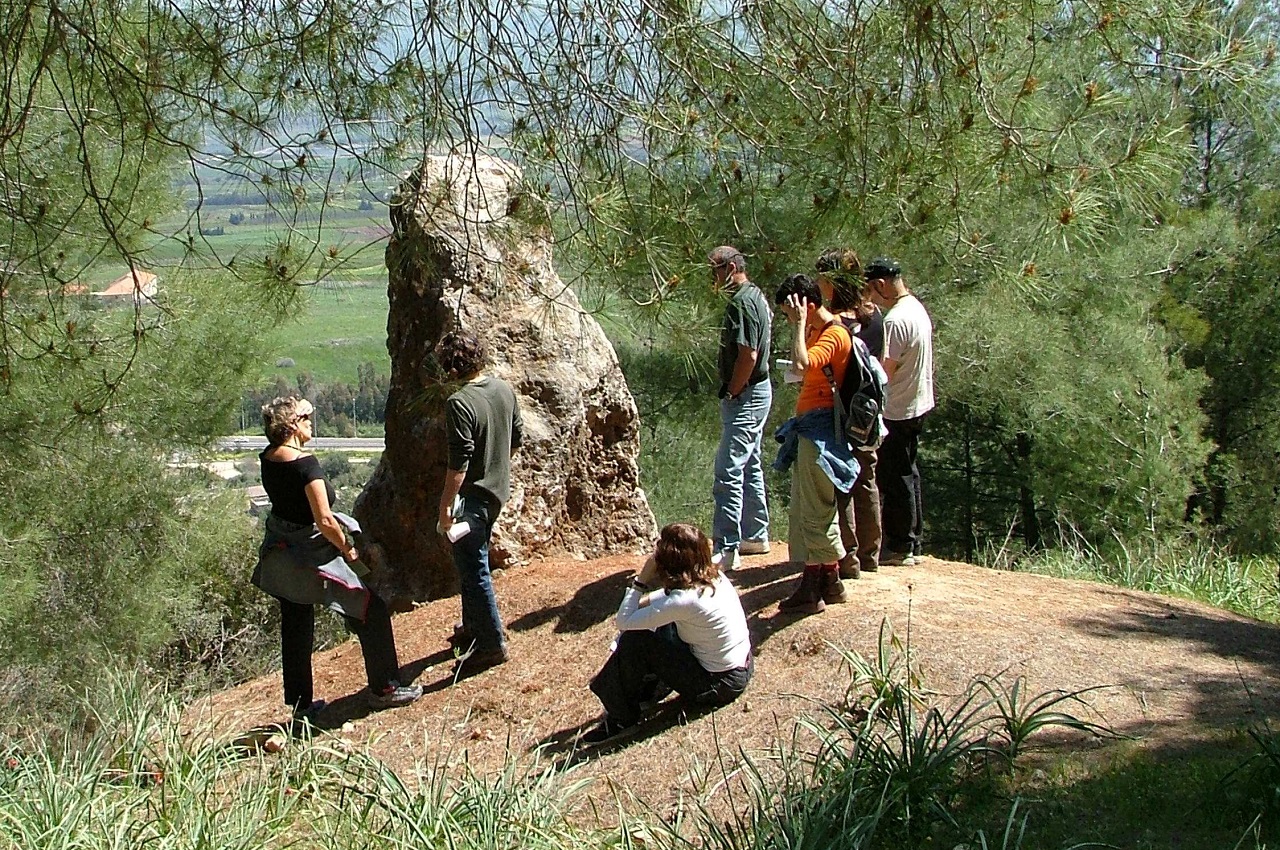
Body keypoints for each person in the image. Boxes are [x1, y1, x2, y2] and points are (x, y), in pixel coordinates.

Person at [253, 397, 422, 719]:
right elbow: (325, 520)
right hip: (313, 553)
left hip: (283, 553)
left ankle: (301, 706)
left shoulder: (268, 457)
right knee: (370, 609)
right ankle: (385, 688)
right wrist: (347, 549)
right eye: (306, 418)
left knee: (296, 623)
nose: (311, 422)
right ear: (291, 426)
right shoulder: (306, 465)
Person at [585, 523, 753, 744]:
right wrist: (641, 605)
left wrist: (639, 582)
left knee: (637, 639)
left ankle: (622, 719)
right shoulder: (712, 576)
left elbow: (623, 621)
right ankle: (645, 689)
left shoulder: (684, 601)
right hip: (742, 667)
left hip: (719, 685)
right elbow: (666, 601)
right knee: (656, 625)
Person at [772, 274, 860, 614]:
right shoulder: (816, 331)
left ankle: (816, 586)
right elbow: (801, 366)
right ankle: (828, 581)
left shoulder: (835, 334)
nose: (789, 319)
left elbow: (803, 362)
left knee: (815, 509)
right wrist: (802, 327)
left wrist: (799, 325)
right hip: (809, 425)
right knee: (810, 506)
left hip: (822, 431)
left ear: (807, 306)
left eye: (790, 312)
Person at [436, 330, 524, 672]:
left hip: (472, 499)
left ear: (451, 369)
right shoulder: (503, 388)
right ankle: (474, 627)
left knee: (475, 571)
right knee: (472, 562)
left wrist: (445, 508)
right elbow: (515, 441)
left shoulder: (459, 403)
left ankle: (490, 645)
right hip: (497, 491)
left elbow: (458, 464)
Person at [815, 248, 885, 579]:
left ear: (831, 281)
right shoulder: (874, 318)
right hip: (870, 410)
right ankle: (871, 555)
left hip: (840, 411)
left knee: (842, 480)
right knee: (867, 479)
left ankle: (848, 558)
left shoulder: (835, 323)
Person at [865, 258, 934, 566]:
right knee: (908, 471)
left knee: (894, 476)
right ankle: (913, 541)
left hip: (898, 407)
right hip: (918, 401)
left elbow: (885, 372)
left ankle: (900, 544)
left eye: (870, 290)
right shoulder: (917, 309)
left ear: (880, 285)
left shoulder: (895, 320)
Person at [708, 245, 773, 571]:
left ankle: (726, 547)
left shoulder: (742, 303)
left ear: (730, 268)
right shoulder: (755, 295)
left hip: (746, 393)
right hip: (758, 390)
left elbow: (747, 355)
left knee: (728, 469)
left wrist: (733, 392)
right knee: (750, 463)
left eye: (715, 270)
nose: (712, 278)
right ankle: (755, 534)